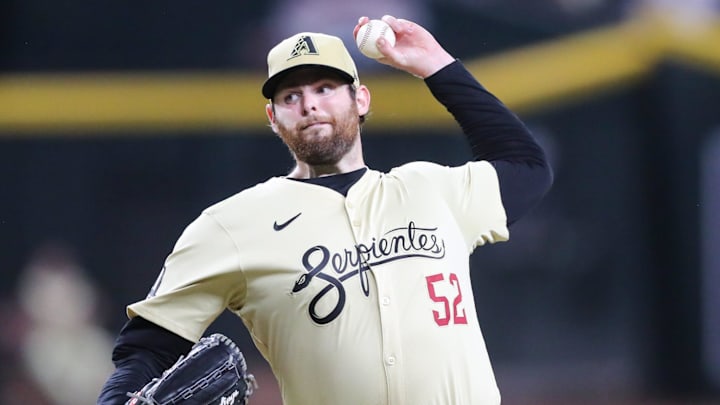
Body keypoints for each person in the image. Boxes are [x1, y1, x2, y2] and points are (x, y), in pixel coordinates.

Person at [98, 15, 553, 405]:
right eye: (290, 96)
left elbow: (527, 167)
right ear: (273, 118)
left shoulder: (432, 189)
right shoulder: (230, 225)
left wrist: (436, 64)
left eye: (325, 86)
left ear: (361, 99)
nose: (310, 103)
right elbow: (147, 346)